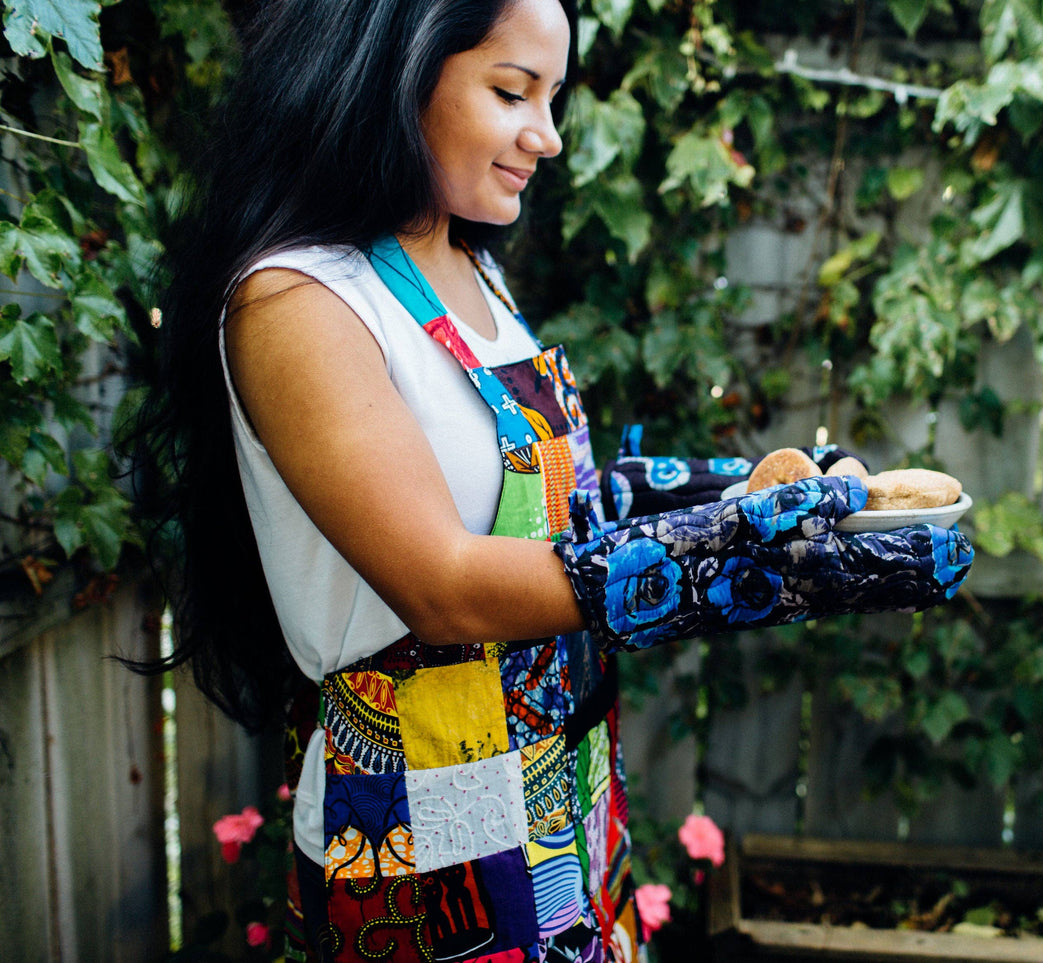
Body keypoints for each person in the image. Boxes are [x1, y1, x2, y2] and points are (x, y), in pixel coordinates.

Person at [128, 0, 973, 960]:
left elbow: (555, 502)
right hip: (422, 838)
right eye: (511, 90)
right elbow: (440, 585)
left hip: (561, 794)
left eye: (553, 95)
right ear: (390, 72)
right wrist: (734, 570)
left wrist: (751, 492)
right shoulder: (301, 299)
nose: (549, 135)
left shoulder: (465, 267)